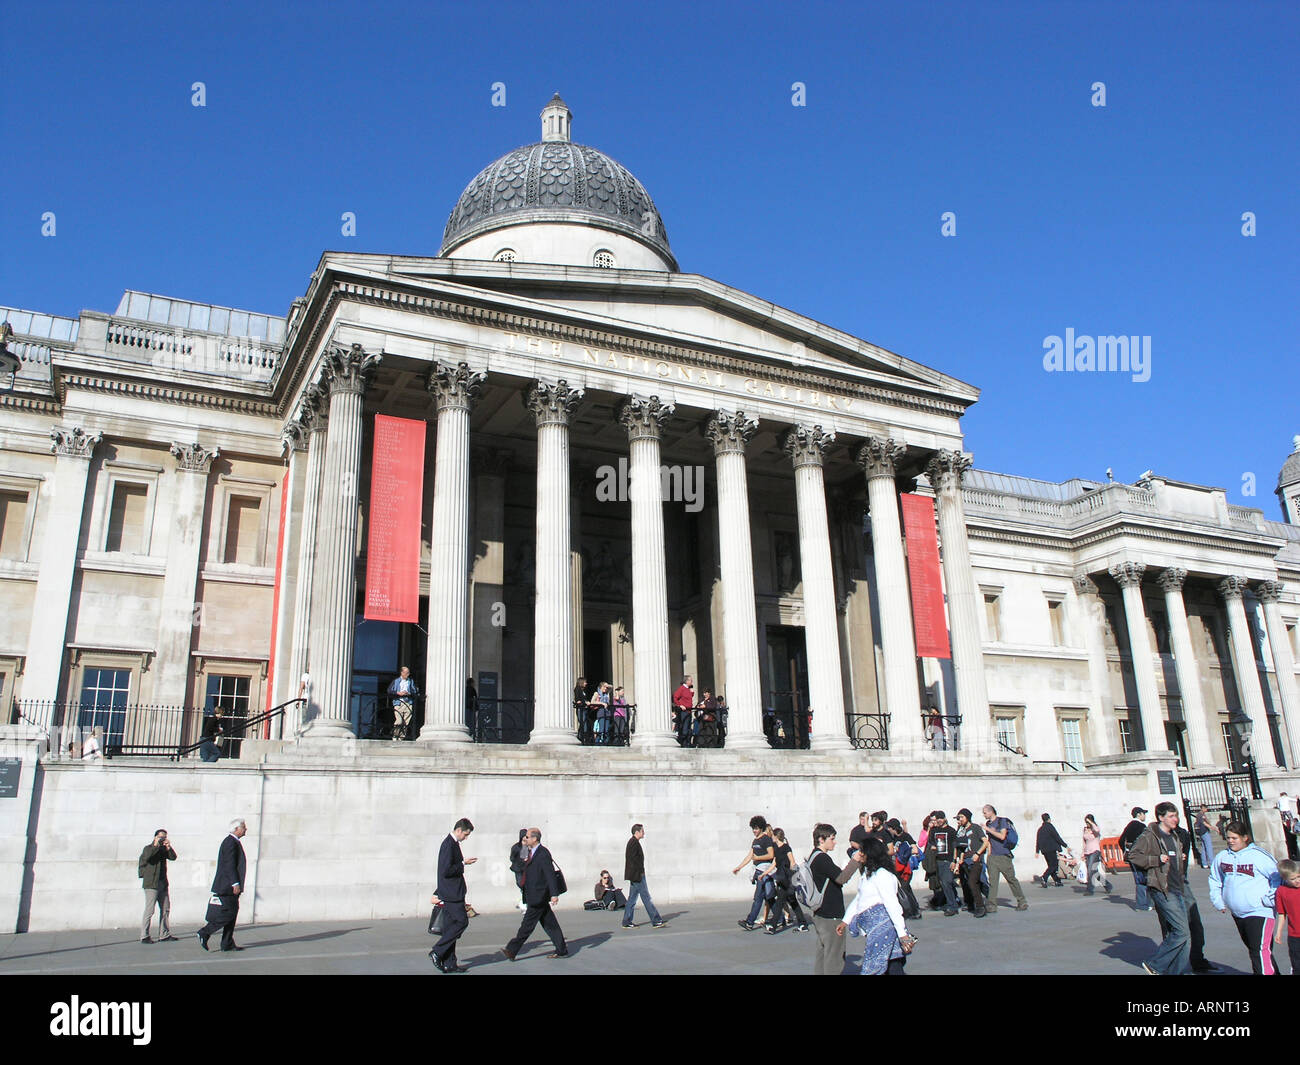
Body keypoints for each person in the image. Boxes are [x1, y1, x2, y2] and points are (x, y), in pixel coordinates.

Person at [1208, 821, 1280, 976]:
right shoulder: (1222, 856)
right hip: (1238, 913)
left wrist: (1269, 899)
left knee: (1259, 951)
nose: (1230, 841)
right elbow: (1215, 879)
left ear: (1245, 837)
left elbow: (1278, 878)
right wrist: (1218, 901)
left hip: (1260, 911)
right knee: (1259, 952)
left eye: (1235, 838)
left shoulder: (1259, 856)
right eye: (1228, 838)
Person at [1126, 802, 1191, 975]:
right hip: (1163, 889)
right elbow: (1132, 855)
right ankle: (1155, 964)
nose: (1175, 819)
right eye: (1171, 816)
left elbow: (1172, 858)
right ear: (1161, 817)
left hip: (1177, 887)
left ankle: (1180, 971)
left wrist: (1179, 857)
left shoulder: (1174, 835)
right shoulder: (1150, 835)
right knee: (1182, 932)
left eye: (1176, 815)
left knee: (1182, 935)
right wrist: (1155, 859)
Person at [838, 837, 916, 974]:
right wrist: (845, 921)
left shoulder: (882, 875)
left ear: (870, 853)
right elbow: (859, 899)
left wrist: (902, 934)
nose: (859, 854)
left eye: (862, 851)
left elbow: (892, 904)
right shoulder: (868, 874)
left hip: (884, 929)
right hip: (874, 929)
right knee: (892, 965)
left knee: (878, 966)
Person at [808, 822, 867, 975]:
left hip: (820, 913)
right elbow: (841, 878)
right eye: (832, 839)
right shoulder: (822, 858)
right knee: (834, 957)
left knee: (823, 954)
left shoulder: (813, 856)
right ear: (821, 839)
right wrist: (855, 860)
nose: (834, 842)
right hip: (830, 915)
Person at [503, 828, 568, 960]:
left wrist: (554, 894)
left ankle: (512, 949)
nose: (525, 839)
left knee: (527, 925)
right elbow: (519, 863)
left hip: (538, 896)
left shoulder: (543, 853)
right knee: (550, 924)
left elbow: (549, 875)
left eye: (527, 837)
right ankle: (562, 950)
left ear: (535, 839)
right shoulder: (529, 851)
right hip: (533, 894)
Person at [429, 818, 477, 973]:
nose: (466, 838)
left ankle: (450, 963)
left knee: (451, 927)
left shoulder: (452, 843)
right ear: (459, 830)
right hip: (452, 893)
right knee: (462, 922)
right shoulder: (448, 844)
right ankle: (437, 951)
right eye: (466, 834)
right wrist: (463, 864)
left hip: (452, 892)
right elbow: (446, 870)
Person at [197, 818, 247, 952]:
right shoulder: (230, 842)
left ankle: (227, 943)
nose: (245, 829)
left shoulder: (233, 842)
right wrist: (235, 883)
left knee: (233, 913)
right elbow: (229, 864)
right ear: (236, 829)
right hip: (227, 886)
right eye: (243, 827)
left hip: (229, 885)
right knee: (228, 914)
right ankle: (205, 932)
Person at [733, 815, 777, 930]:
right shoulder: (755, 841)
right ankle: (780, 919)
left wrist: (758, 858)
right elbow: (749, 856)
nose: (754, 831)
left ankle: (750, 922)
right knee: (769, 897)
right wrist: (739, 867)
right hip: (758, 872)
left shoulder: (766, 839)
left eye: (756, 828)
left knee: (759, 898)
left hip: (765, 872)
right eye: (753, 828)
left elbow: (771, 855)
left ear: (761, 828)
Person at [983, 804, 1028, 913]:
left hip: (1004, 856)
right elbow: (989, 840)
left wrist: (988, 829)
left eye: (985, 812)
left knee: (1011, 879)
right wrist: (988, 855)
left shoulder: (1001, 821)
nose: (984, 815)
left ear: (991, 812)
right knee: (993, 882)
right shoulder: (988, 823)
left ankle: (1022, 901)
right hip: (993, 857)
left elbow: (1002, 836)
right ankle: (992, 905)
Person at [764, 827, 809, 933]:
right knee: (793, 902)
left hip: (787, 879)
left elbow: (792, 862)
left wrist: (795, 874)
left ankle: (773, 926)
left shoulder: (786, 848)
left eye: (773, 836)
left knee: (780, 901)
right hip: (781, 878)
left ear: (775, 836)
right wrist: (765, 873)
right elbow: (775, 863)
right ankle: (803, 924)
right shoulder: (776, 848)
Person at [623, 823, 666, 929]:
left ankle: (626, 921)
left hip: (635, 876)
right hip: (637, 876)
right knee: (646, 898)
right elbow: (633, 861)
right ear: (637, 832)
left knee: (632, 899)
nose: (644, 833)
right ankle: (656, 920)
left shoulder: (633, 842)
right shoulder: (633, 843)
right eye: (642, 831)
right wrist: (639, 874)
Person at [138, 829, 178, 943]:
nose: (162, 839)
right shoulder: (148, 848)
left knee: (165, 909)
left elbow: (173, 857)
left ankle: (164, 934)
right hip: (151, 884)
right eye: (160, 837)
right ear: (155, 837)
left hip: (162, 883)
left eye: (164, 837)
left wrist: (168, 847)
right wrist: (155, 845)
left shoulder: (163, 849)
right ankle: (144, 935)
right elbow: (147, 857)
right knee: (150, 910)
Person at [923, 811, 961, 916]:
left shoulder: (951, 831)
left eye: (940, 818)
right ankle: (954, 902)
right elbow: (930, 842)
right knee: (943, 884)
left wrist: (954, 861)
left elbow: (954, 847)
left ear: (944, 819)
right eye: (937, 819)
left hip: (947, 861)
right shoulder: (934, 831)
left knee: (946, 882)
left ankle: (953, 906)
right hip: (937, 861)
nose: (938, 821)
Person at [954, 809, 987, 917]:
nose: (960, 820)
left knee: (973, 882)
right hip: (965, 861)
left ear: (967, 817)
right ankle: (972, 904)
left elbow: (985, 842)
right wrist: (959, 861)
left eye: (962, 817)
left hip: (976, 860)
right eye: (959, 818)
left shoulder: (975, 827)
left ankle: (980, 906)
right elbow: (961, 847)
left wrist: (977, 853)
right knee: (969, 883)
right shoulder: (960, 830)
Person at [1271, 858, 1300, 975]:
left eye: (1299, 876)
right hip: (1294, 935)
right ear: (1284, 879)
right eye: (1293, 879)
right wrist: (1278, 932)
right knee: (1297, 964)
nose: (1297, 880)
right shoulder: (1281, 891)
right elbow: (1282, 914)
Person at [1120, 806, 1151, 911]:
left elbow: (1121, 840)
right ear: (1139, 814)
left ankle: (1143, 903)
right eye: (1143, 813)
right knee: (1145, 879)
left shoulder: (1129, 825)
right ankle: (1145, 903)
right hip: (1142, 855)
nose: (1145, 815)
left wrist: (1126, 851)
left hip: (1132, 856)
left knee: (1138, 878)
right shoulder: (1142, 826)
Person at [1035, 813, 1068, 887]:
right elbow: (1057, 837)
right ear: (1049, 819)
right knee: (1054, 865)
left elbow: (1038, 840)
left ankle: (1057, 881)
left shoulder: (1040, 829)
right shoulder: (1050, 827)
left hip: (1044, 851)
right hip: (1051, 849)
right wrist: (1065, 846)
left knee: (1051, 866)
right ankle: (1044, 877)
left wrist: (1037, 851)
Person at [386, 666, 419, 741]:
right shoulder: (396, 681)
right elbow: (389, 690)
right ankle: (395, 736)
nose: (408, 674)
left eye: (408, 673)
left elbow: (414, 691)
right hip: (399, 702)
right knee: (399, 720)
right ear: (402, 673)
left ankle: (401, 738)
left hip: (408, 703)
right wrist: (398, 693)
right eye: (406, 673)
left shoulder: (410, 681)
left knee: (406, 722)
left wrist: (409, 693)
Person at [1082, 814, 1112, 895]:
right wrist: (1083, 853)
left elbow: (1097, 830)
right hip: (1087, 852)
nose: (1087, 824)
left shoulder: (1095, 828)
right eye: (1086, 822)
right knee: (1094, 872)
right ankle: (1107, 885)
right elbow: (1084, 841)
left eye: (1088, 822)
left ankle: (1089, 889)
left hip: (1095, 851)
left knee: (1090, 871)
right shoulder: (1085, 829)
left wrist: (1091, 823)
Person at [509, 828, 529, 912]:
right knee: (520, 884)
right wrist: (520, 861)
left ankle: (525, 903)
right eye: (524, 837)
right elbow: (512, 858)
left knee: (526, 886)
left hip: (526, 869)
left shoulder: (529, 846)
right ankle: (524, 902)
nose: (525, 839)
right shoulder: (516, 847)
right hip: (518, 869)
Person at [672, 676, 694, 744]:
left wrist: (692, 692)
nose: (691, 682)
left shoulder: (688, 689)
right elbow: (675, 697)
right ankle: (683, 742)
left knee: (688, 727)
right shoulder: (682, 688)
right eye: (690, 680)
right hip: (684, 711)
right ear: (686, 681)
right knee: (684, 727)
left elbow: (688, 698)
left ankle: (687, 742)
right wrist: (680, 705)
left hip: (689, 711)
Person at [1194, 805, 1215, 870]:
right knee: (1209, 848)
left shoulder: (1201, 815)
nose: (1206, 809)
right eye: (1206, 808)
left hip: (1201, 832)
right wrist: (1212, 828)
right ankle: (1211, 863)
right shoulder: (1200, 815)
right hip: (1204, 832)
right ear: (1203, 808)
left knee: (1204, 848)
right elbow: (1204, 823)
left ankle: (1204, 863)